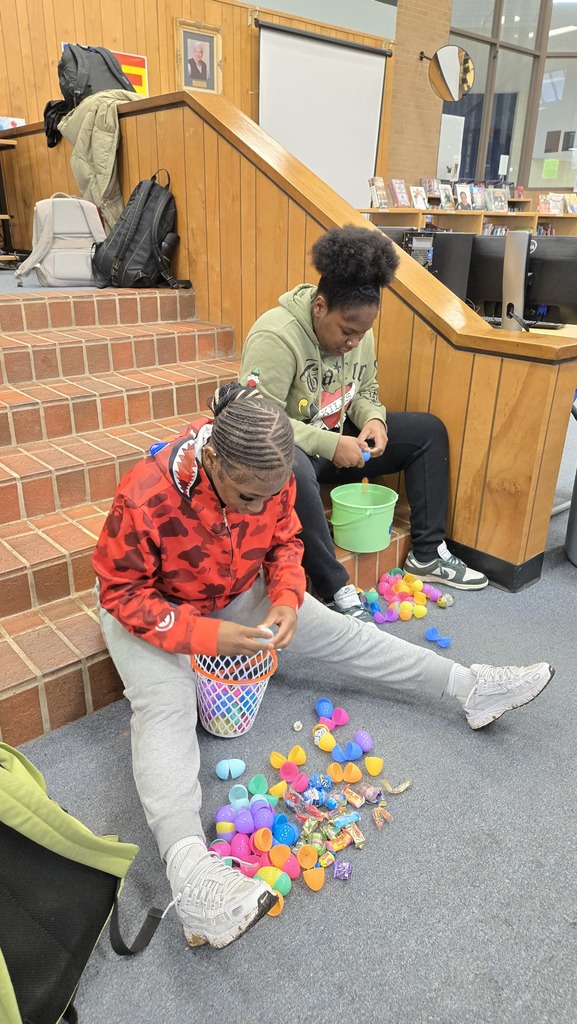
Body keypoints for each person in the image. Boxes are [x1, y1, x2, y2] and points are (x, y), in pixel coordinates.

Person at [92, 382, 554, 951]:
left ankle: (468, 687)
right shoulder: (147, 492)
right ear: (212, 459)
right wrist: (208, 636)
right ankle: (191, 875)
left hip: (237, 594)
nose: (258, 507)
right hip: (151, 608)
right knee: (164, 704)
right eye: (244, 496)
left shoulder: (270, 475)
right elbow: (121, 592)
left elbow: (285, 544)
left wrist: (286, 597)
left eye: (269, 493)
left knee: (347, 636)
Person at [239, 224, 487, 626]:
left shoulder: (360, 333)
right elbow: (256, 418)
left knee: (428, 432)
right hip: (294, 451)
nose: (354, 342)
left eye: (363, 333)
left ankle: (426, 553)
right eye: (347, 331)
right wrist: (329, 444)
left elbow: (364, 388)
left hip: (339, 443)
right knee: (292, 467)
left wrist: (373, 419)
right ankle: (335, 586)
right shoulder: (276, 335)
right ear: (319, 307)